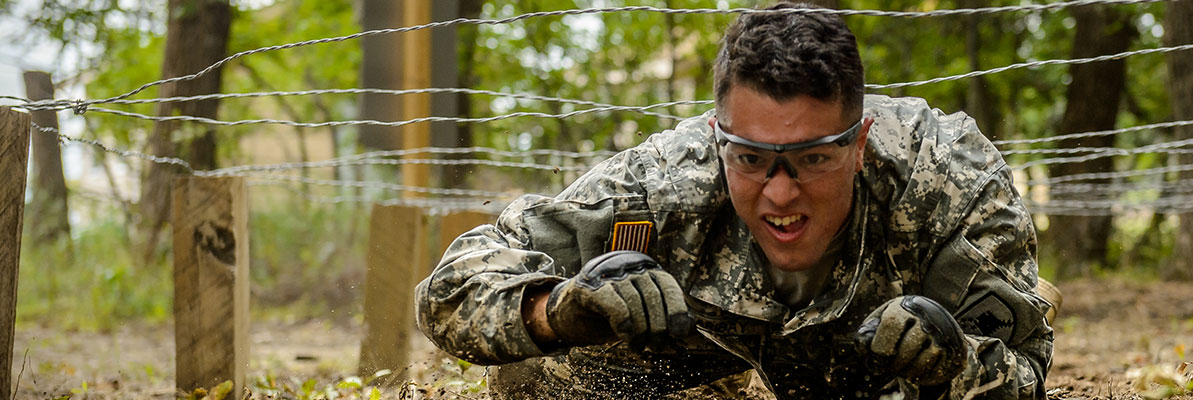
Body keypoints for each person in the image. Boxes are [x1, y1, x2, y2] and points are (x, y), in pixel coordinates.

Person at [414, 2, 1055, 398]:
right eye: (750, 158)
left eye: (813, 159)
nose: (781, 193)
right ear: (719, 138)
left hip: (882, 387)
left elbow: (1027, 375)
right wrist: (560, 309)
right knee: (535, 379)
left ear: (859, 143)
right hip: (698, 371)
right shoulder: (663, 183)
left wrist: (952, 364)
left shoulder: (949, 182)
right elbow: (448, 291)